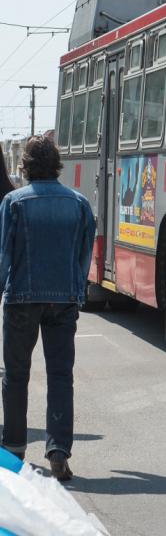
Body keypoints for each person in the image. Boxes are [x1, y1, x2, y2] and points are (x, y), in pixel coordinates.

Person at [0, 136, 95, 481]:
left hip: (22, 299)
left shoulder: (14, 202)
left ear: (24, 165)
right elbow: (84, 255)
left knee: (16, 375)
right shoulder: (79, 203)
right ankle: (58, 451)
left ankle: (13, 449)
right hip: (63, 301)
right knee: (60, 376)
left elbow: (4, 257)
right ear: (57, 165)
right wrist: (76, 291)